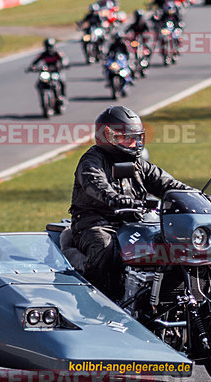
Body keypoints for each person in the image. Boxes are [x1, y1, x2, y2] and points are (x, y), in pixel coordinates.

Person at [69, 106, 190, 301]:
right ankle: (100, 300)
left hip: (135, 221)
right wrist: (114, 197)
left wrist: (195, 195)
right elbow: (95, 184)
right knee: (106, 249)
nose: (134, 143)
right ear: (107, 136)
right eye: (127, 138)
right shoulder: (92, 160)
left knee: (173, 244)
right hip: (95, 222)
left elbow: (167, 183)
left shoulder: (139, 164)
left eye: (138, 138)